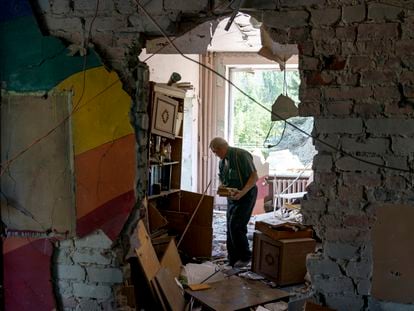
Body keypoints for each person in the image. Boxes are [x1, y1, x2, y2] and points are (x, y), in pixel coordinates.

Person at [209, 137, 258, 267]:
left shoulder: (241, 155)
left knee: (237, 226)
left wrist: (242, 192)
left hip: (247, 194)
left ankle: (245, 256)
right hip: (232, 197)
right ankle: (233, 258)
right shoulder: (222, 162)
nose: (215, 154)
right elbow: (223, 179)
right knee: (230, 226)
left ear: (222, 147)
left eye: (215, 151)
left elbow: (254, 177)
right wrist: (222, 188)